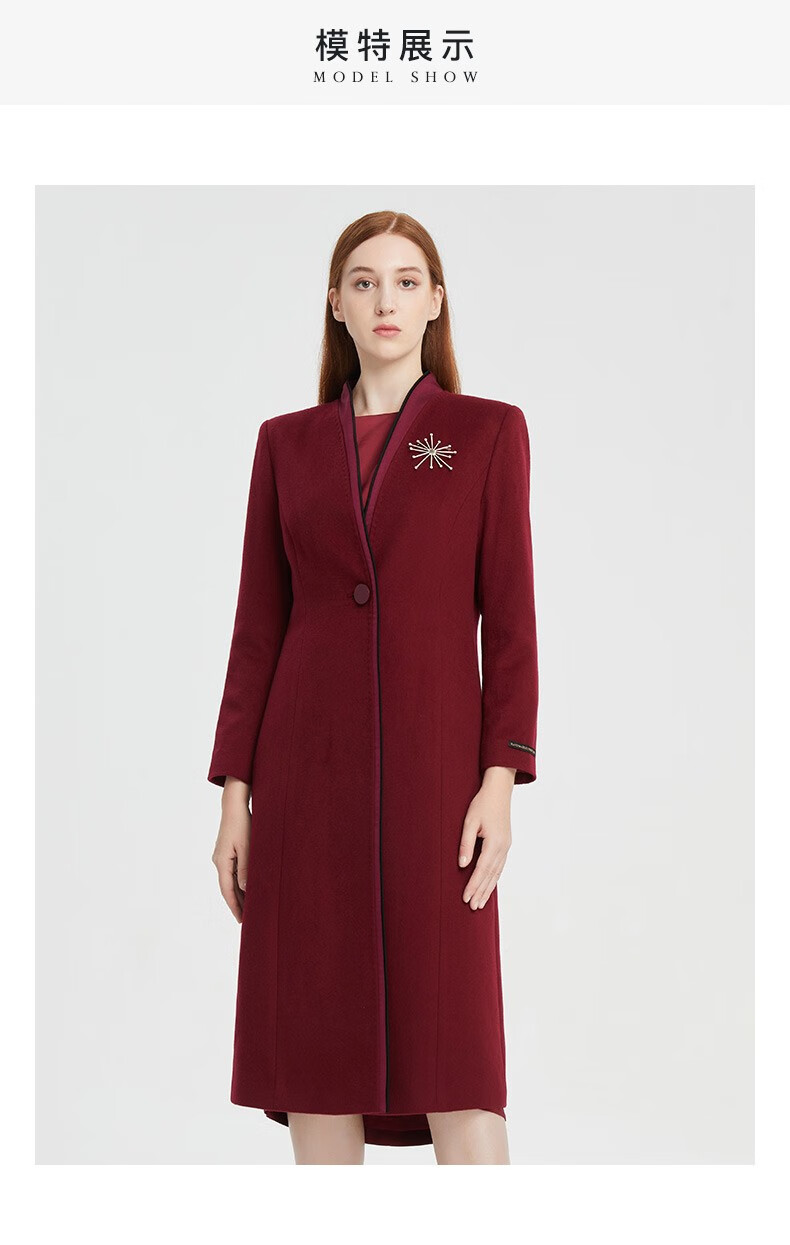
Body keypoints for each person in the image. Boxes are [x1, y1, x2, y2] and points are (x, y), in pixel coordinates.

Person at [208, 210, 539, 1165]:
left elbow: (512, 624)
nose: (384, 299)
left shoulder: (486, 432)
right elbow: (257, 631)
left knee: (459, 1067)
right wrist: (235, 798)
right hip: (305, 781)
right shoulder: (285, 444)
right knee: (318, 1062)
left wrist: (500, 782)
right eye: (363, 281)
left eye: (405, 280)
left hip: (438, 783)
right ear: (335, 304)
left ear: (436, 302)